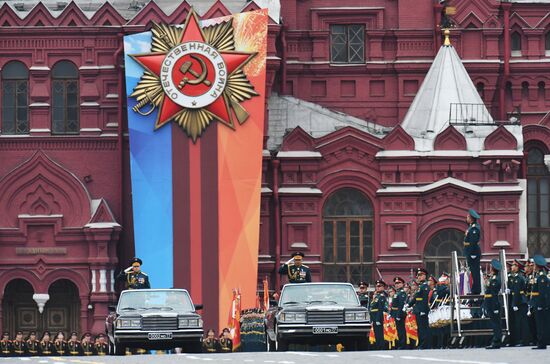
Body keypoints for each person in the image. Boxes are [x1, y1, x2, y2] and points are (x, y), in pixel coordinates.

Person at [507, 259, 528, 347]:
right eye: (512, 265)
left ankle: (524, 340)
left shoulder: (519, 278)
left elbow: (517, 291)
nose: (512, 267)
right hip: (514, 301)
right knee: (514, 322)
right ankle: (514, 340)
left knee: (521, 323)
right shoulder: (512, 277)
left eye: (514, 265)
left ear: (518, 267)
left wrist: (515, 304)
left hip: (520, 302)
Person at [531, 255, 549, 350]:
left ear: (537, 265)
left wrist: (541, 305)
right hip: (536, 302)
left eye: (534, 264)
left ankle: (542, 343)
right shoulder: (538, 275)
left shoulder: (542, 277)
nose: (533, 266)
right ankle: (540, 342)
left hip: (540, 304)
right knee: (538, 324)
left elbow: (542, 293)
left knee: (541, 324)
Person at [410, 268, 430, 349]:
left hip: (422, 310)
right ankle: (421, 343)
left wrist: (423, 310)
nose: (419, 277)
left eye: (421, 275)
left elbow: (425, 299)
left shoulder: (425, 286)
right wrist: (409, 304)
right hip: (417, 309)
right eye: (418, 275)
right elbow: (415, 298)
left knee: (423, 329)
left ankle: (424, 345)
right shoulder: (420, 286)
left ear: (425, 276)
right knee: (420, 328)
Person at [485, 259, 502, 349]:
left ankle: (496, 341)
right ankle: (496, 340)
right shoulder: (493, 278)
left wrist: (495, 306)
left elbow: (494, 294)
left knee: (496, 324)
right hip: (490, 302)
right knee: (494, 323)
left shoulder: (496, 279)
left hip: (493, 303)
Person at [464, 209, 482, 294]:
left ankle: (476, 290)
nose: (466, 218)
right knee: (473, 271)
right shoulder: (471, 227)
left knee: (475, 272)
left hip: (473, 252)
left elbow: (473, 242)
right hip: (470, 251)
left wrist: (471, 253)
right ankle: (474, 289)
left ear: (471, 218)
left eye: (467, 216)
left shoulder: (474, 228)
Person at [369, 279, 388, 351]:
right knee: (376, 333)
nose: (377, 288)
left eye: (379, 286)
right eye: (376, 286)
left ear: (383, 287)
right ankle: (378, 346)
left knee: (380, 334)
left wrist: (377, 319)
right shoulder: (376, 296)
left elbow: (380, 308)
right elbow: (372, 307)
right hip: (374, 316)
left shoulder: (382, 296)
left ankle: (381, 347)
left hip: (378, 316)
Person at [391, 277, 407, 349]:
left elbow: (401, 305)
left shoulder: (402, 293)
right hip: (396, 313)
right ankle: (401, 343)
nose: (397, 285)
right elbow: (393, 304)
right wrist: (391, 313)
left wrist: (398, 315)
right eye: (396, 283)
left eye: (399, 283)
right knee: (398, 330)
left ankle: (403, 344)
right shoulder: (397, 293)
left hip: (400, 314)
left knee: (401, 330)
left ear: (402, 284)